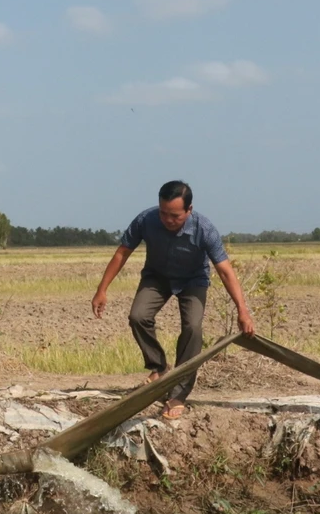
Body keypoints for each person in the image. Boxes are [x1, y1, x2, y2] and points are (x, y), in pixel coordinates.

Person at [92, 180, 255, 420]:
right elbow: (122, 253)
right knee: (138, 316)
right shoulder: (145, 220)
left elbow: (225, 271)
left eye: (175, 216)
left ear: (189, 210)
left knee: (192, 327)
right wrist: (102, 289)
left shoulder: (204, 229)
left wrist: (242, 310)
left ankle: (178, 393)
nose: (168, 220)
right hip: (157, 278)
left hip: (193, 280)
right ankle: (159, 368)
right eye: (163, 213)